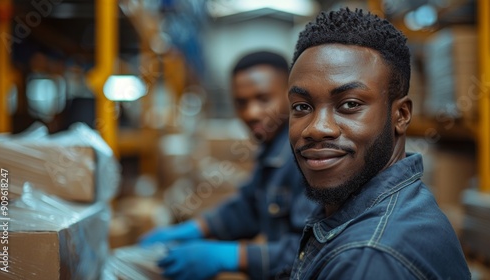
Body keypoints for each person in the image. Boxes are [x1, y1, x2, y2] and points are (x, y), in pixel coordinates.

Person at [285, 8, 471, 279]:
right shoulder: (387, 206)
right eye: (302, 106)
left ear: (401, 115)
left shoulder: (367, 259)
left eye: (349, 104)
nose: (317, 128)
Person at [140, 51, 316, 280]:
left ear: (291, 96)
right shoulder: (271, 150)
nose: (251, 113)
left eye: (263, 99)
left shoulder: (307, 158)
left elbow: (311, 253)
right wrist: (196, 229)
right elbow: (249, 206)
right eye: (241, 103)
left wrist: (234, 256)